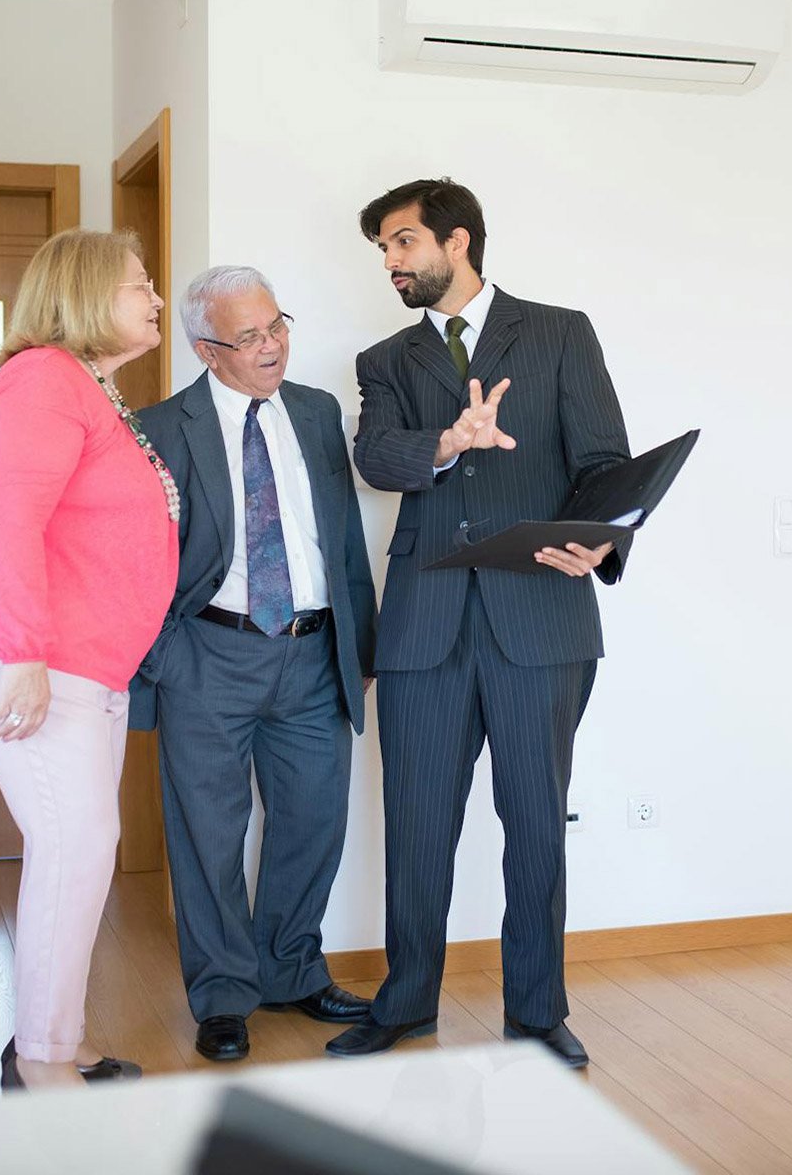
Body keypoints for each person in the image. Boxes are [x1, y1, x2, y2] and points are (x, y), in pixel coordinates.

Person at [327, 179, 631, 1068]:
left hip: (540, 617)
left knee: (536, 823)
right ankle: (406, 1002)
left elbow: (605, 462)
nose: (391, 262)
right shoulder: (385, 361)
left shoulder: (560, 333)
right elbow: (374, 458)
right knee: (417, 825)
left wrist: (597, 543)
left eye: (403, 242)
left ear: (457, 241)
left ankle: (537, 1014)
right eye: (383, 249)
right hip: (424, 624)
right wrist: (450, 441)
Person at [0, 228, 179, 1090]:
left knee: (82, 851)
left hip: (89, 664)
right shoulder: (42, 380)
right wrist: (26, 656)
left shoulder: (90, 388)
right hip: (37, 658)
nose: (156, 298)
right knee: (75, 847)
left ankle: (57, 1036)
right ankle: (40, 1062)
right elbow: (9, 526)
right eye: (140, 284)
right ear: (86, 296)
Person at [129, 266, 377, 1062]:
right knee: (209, 834)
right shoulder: (160, 428)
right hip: (209, 655)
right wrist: (166, 657)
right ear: (207, 349)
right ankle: (223, 995)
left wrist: (359, 645)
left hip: (313, 651)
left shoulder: (316, 411)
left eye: (277, 326)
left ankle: (291, 971)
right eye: (249, 337)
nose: (272, 346)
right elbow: (134, 559)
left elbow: (342, 536)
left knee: (313, 820)